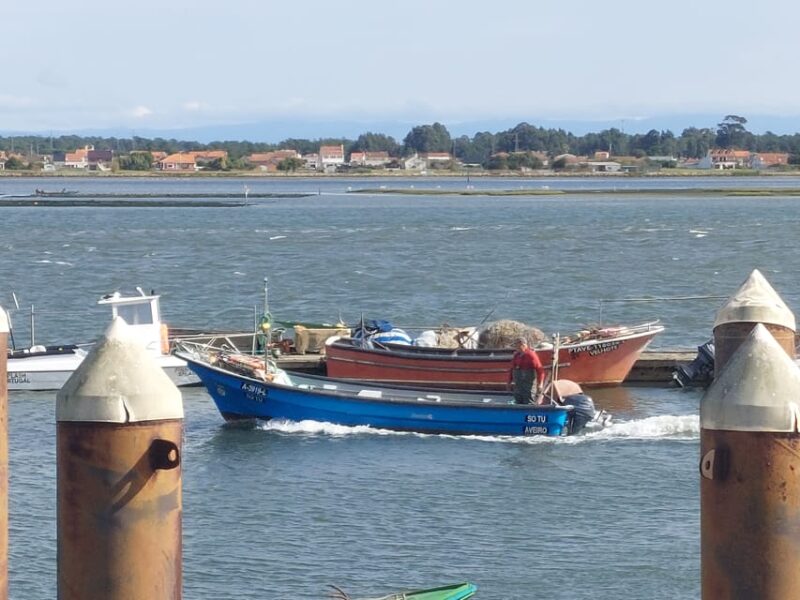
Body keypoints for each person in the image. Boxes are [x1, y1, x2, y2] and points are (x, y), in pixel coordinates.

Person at [507, 337, 546, 404]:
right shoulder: (516, 355)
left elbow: (540, 370)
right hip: (518, 386)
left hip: (528, 386)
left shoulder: (531, 355)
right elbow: (512, 369)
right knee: (517, 399)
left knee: (529, 400)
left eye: (517, 345)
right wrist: (509, 382)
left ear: (523, 344)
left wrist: (540, 384)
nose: (516, 347)